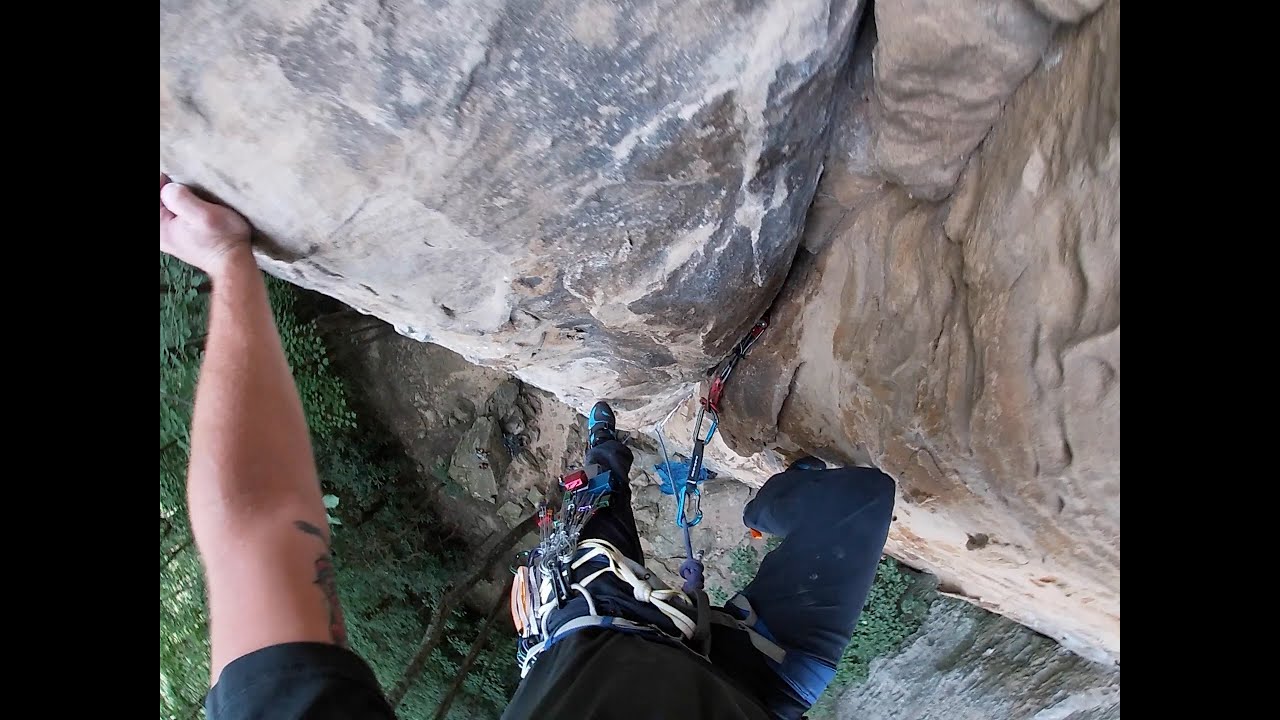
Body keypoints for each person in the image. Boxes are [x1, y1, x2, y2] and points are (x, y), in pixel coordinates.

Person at [160, 173, 897, 720]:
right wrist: (227, 262)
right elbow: (259, 535)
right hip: (739, 684)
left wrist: (230, 264)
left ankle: (610, 442)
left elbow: (257, 535)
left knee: (600, 516)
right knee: (859, 503)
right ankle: (671, 468)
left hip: (603, 644)